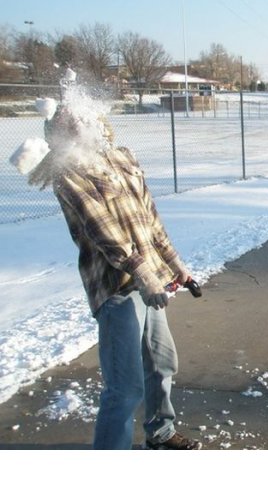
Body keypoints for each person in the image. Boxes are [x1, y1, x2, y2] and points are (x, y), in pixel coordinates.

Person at [26, 100, 201, 450]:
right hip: (117, 288)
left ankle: (161, 432)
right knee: (125, 385)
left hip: (151, 281)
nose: (88, 127)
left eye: (87, 120)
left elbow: (149, 218)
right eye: (74, 124)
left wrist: (175, 264)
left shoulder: (121, 160)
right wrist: (144, 276)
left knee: (162, 363)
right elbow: (102, 229)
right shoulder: (68, 174)